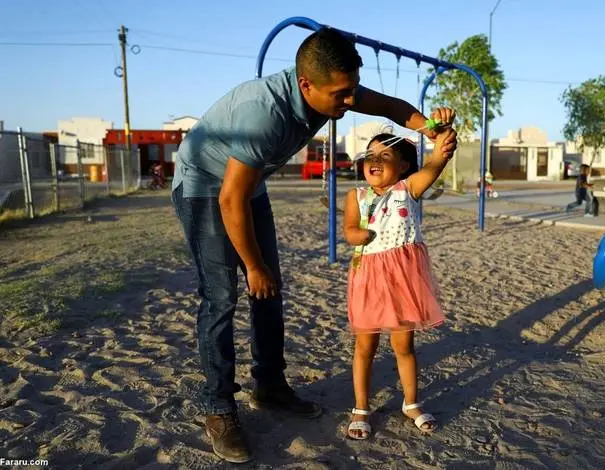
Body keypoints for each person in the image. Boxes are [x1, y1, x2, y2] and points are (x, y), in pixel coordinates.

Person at [170, 27, 455, 463]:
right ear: (306, 85)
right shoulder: (263, 114)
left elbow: (393, 108)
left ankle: (270, 386)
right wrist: (253, 265)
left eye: (352, 90)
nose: (349, 101)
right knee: (222, 295)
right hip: (204, 187)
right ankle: (219, 407)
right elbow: (229, 199)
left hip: (248, 187)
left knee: (269, 288)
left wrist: (430, 128)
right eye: (341, 95)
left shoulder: (335, 88)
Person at [342, 123, 457, 440]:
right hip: (368, 278)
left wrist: (442, 136)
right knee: (365, 345)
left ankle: (411, 402)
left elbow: (436, 162)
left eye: (385, 155)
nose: (374, 160)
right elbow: (349, 229)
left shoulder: (409, 189)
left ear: (404, 166)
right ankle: (361, 407)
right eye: (370, 154)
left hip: (404, 279)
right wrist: (356, 234)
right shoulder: (356, 196)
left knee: (404, 345)